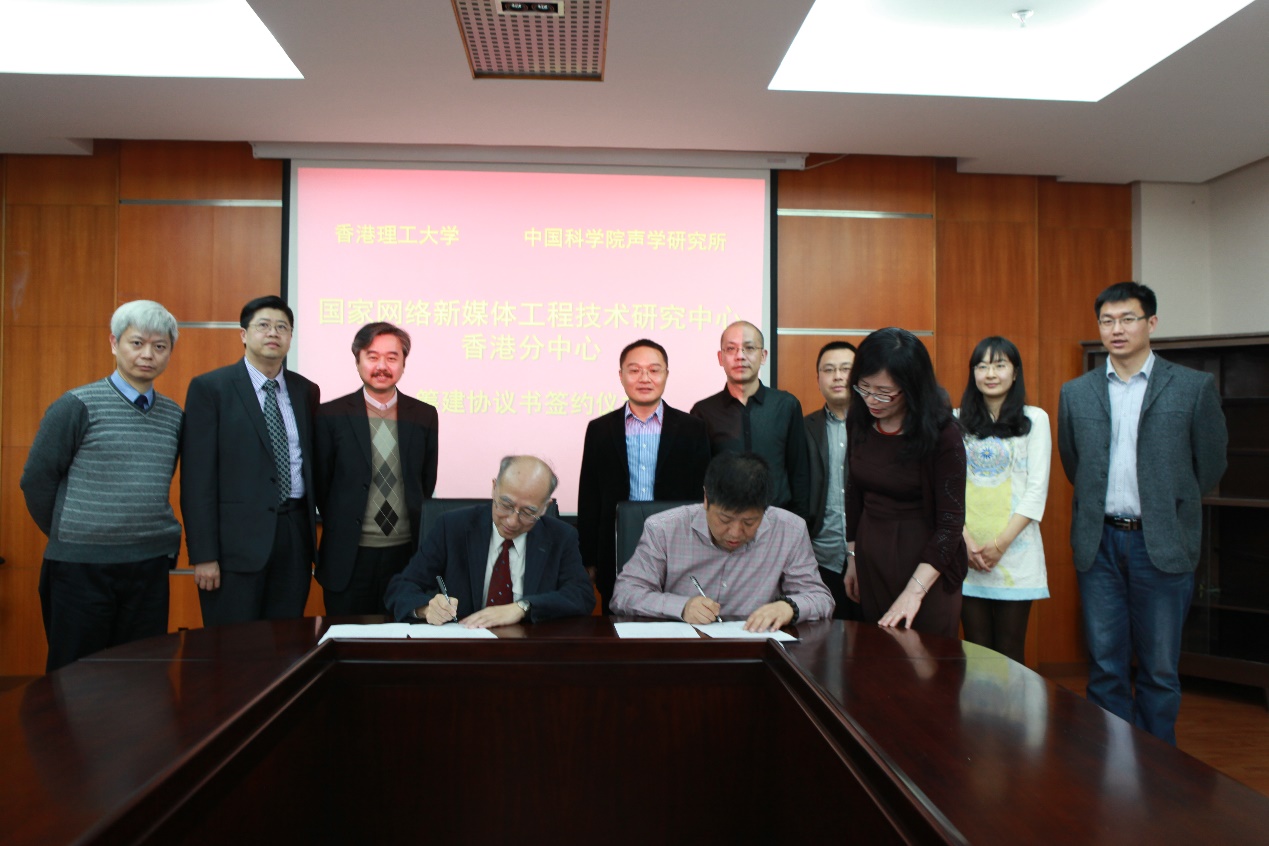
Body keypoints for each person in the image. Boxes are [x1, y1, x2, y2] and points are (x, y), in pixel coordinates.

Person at [1058, 282, 1226, 745]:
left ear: (1151, 323)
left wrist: (1168, 502)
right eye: (1107, 320)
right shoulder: (1076, 393)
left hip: (1163, 542)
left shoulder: (1192, 387)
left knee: (1158, 669)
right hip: (1099, 543)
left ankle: (1157, 770)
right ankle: (1111, 767)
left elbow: (1210, 464)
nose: (1117, 329)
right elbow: (1074, 463)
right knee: (1105, 665)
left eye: (1128, 319)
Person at [21, 301, 183, 672]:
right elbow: (36, 480)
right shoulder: (76, 405)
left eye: (159, 346)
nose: (148, 354)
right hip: (81, 568)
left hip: (148, 567)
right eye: (137, 343)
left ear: (169, 352)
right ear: (114, 343)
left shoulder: (173, 415)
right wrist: (72, 533)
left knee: (143, 676)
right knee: (75, 677)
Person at [181, 295, 321, 626]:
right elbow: (197, 480)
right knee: (232, 646)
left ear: (290, 337)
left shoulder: (306, 391)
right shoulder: (210, 389)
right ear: (243, 334)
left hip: (294, 537)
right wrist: (204, 555)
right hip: (233, 547)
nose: (273, 333)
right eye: (263, 325)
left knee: (287, 641)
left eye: (282, 327)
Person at [611, 451, 834, 630]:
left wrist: (789, 608)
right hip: (684, 651)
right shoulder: (663, 529)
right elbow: (625, 594)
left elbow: (821, 598)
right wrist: (682, 607)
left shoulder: (790, 530)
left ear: (766, 509)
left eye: (749, 522)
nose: (735, 533)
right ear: (706, 499)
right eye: (725, 519)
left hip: (757, 654)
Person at [844, 327, 967, 637]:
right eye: (864, 387)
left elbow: (951, 524)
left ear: (912, 388)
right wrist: (853, 557)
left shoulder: (943, 434)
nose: (871, 399)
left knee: (926, 657)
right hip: (872, 559)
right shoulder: (859, 419)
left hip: (928, 565)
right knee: (878, 654)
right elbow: (854, 492)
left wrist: (914, 592)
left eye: (884, 392)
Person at [577, 339, 711, 612]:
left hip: (676, 547)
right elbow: (589, 496)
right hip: (616, 546)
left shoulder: (693, 429)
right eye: (635, 370)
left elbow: (701, 497)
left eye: (653, 370)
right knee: (617, 621)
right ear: (621, 375)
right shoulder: (600, 429)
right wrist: (588, 558)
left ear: (666, 374)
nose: (644, 378)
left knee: (674, 618)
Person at [314, 322, 438, 616]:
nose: (382, 366)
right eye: (372, 357)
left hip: (405, 554)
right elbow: (321, 484)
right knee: (346, 637)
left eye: (392, 358)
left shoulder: (423, 415)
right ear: (357, 360)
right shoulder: (330, 415)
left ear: (404, 363)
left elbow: (425, 481)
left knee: (401, 634)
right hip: (349, 554)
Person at [385, 456, 594, 627]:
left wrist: (523, 607)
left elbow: (582, 595)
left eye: (528, 512)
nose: (512, 521)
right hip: (464, 650)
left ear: (545, 507)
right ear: (494, 488)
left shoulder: (560, 537)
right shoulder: (452, 527)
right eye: (505, 505)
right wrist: (426, 609)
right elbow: (401, 587)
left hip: (529, 651)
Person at [955, 336, 1050, 664]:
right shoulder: (955, 421)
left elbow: (1037, 490)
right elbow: (947, 489)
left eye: (999, 365)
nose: (990, 374)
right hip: (967, 554)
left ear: (1015, 372)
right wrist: (965, 541)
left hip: (1015, 555)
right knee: (976, 650)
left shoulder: (1035, 419)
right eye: (982, 366)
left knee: (1010, 652)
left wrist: (1000, 544)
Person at [690, 321, 811, 520]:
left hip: (778, 520)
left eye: (749, 348)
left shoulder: (786, 405)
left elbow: (799, 472)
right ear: (720, 358)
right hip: (724, 523)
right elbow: (698, 477)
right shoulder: (703, 411)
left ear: (763, 356)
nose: (740, 356)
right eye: (731, 349)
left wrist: (800, 522)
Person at [804, 340, 862, 620]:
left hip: (871, 558)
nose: (837, 376)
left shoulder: (878, 426)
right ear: (818, 379)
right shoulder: (804, 427)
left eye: (845, 369)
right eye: (829, 370)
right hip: (820, 557)